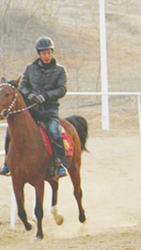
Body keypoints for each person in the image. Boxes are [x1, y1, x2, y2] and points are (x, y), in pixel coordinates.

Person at [0, 36, 69, 178]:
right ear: (39, 54)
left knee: (54, 131)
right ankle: (7, 162)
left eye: (49, 52)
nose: (47, 56)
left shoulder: (60, 70)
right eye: (44, 53)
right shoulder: (30, 69)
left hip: (49, 110)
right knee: (9, 133)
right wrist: (30, 95)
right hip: (32, 109)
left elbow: (62, 89)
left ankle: (59, 163)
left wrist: (46, 96)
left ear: (52, 52)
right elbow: (23, 86)